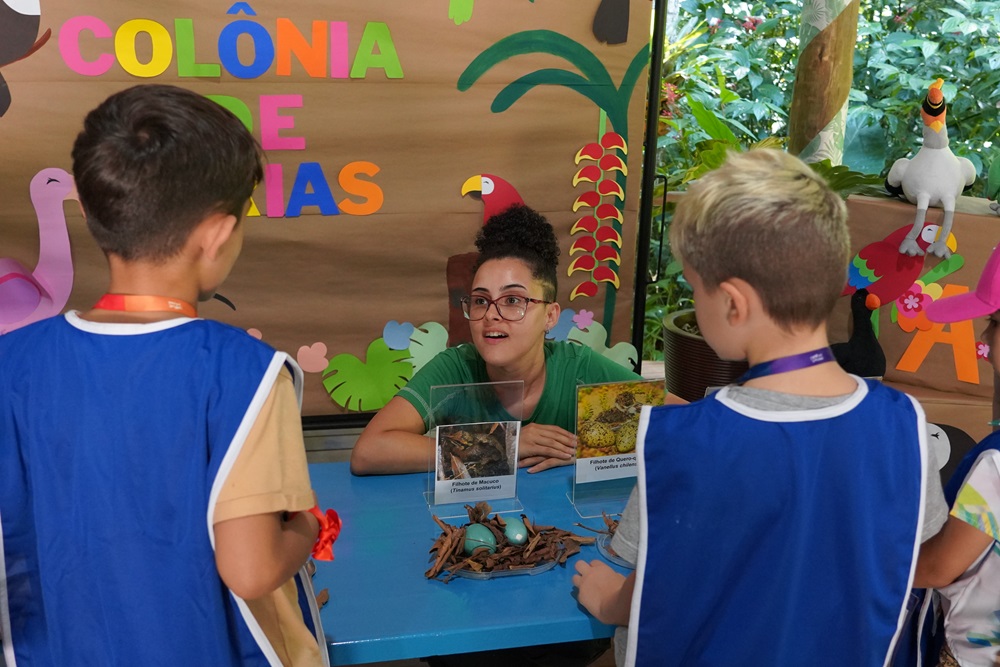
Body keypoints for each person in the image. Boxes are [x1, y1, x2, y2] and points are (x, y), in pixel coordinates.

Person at [0, 84, 337, 666]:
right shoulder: (245, 373)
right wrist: (307, 526)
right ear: (217, 235)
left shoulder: (13, 360)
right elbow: (251, 569)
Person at [572, 149, 946, 666]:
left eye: (694, 287)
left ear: (733, 303)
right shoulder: (907, 427)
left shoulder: (681, 444)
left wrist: (607, 600)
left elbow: (653, 584)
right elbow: (907, 559)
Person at [351, 203, 654, 475]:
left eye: (512, 300)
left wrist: (589, 451)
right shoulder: (457, 368)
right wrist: (503, 445)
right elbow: (369, 452)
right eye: (481, 301)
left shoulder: (579, 367)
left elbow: (682, 421)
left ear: (550, 316)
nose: (491, 315)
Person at [914, 242, 1000, 667]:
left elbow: (937, 568)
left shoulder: (996, 465)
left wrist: (861, 554)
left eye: (993, 322)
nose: (984, 337)